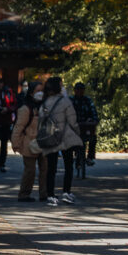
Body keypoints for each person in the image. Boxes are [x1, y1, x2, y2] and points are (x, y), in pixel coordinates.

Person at [38, 78, 82, 207]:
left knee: (51, 168)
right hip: (65, 137)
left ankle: (50, 194)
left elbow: (41, 120)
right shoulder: (65, 101)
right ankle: (66, 192)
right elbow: (72, 120)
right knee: (68, 165)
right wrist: (77, 133)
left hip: (50, 137)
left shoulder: (45, 102)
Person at [11, 81, 47, 203]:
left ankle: (44, 193)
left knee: (45, 169)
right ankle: (24, 194)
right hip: (29, 143)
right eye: (38, 91)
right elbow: (18, 127)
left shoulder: (46, 106)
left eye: (42, 90)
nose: (40, 93)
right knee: (30, 171)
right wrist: (15, 143)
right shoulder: (26, 108)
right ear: (31, 93)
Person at [71, 82, 99, 169]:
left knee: (93, 138)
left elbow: (93, 112)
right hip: (74, 125)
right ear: (75, 90)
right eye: (78, 89)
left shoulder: (88, 100)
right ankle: (73, 155)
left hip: (86, 125)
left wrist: (93, 120)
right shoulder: (70, 100)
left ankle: (90, 157)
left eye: (81, 90)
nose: (79, 91)